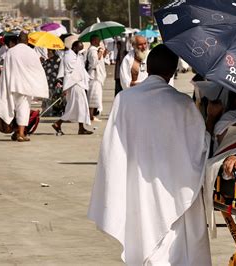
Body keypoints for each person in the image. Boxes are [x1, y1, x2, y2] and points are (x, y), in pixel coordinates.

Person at [88, 44, 212, 265]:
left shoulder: (125, 100)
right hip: (175, 185)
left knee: (143, 231)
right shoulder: (183, 104)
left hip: (138, 182)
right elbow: (201, 147)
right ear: (173, 71)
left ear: (148, 67)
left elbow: (112, 148)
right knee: (175, 244)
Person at [0, 32, 48, 142]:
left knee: (12, 108)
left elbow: (7, 69)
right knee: (23, 109)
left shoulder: (11, 51)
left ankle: (16, 132)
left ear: (18, 40)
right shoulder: (32, 52)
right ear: (27, 41)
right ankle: (20, 133)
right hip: (25, 85)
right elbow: (37, 69)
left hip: (12, 84)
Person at [52, 41, 93, 135]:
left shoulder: (77, 56)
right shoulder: (68, 56)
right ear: (74, 47)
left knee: (80, 106)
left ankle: (81, 128)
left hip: (78, 83)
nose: (81, 50)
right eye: (80, 47)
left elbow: (81, 68)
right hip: (73, 84)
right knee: (75, 106)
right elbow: (71, 71)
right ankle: (58, 123)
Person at [86, 34, 107, 121]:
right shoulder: (92, 50)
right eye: (98, 40)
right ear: (94, 41)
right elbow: (94, 62)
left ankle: (92, 114)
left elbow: (100, 61)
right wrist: (100, 53)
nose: (99, 42)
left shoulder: (95, 50)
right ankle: (90, 115)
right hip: (94, 76)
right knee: (93, 96)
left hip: (97, 75)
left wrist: (103, 54)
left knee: (96, 96)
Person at [41, 49, 64, 117]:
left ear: (53, 52)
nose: (48, 53)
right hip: (48, 82)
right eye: (47, 52)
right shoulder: (47, 61)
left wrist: (59, 81)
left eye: (49, 52)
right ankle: (47, 112)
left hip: (55, 82)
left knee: (55, 98)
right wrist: (42, 62)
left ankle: (55, 112)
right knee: (48, 98)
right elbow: (43, 69)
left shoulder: (59, 61)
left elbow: (61, 71)